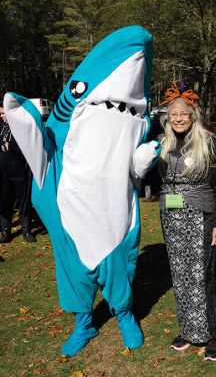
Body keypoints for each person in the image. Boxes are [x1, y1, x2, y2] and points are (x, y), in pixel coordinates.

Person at [4, 26, 160, 356]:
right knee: (73, 273)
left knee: (121, 269)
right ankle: (84, 323)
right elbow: (41, 155)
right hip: (73, 217)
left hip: (114, 216)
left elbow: (129, 172)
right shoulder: (59, 138)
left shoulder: (133, 125)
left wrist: (140, 165)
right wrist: (23, 122)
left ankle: (125, 315)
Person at [159, 82, 216, 361]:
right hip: (171, 219)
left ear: (193, 116)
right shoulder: (164, 143)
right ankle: (191, 330)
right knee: (181, 275)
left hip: (201, 218)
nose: (178, 118)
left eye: (184, 113)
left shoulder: (209, 142)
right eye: (173, 113)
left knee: (204, 273)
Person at [0, 105, 36, 243]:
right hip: (4, 175)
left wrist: (13, 147)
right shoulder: (1, 127)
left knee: (23, 202)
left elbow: (29, 149)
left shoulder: (21, 128)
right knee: (4, 203)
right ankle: (6, 232)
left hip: (19, 173)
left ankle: (27, 232)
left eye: (4, 113)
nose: (2, 116)